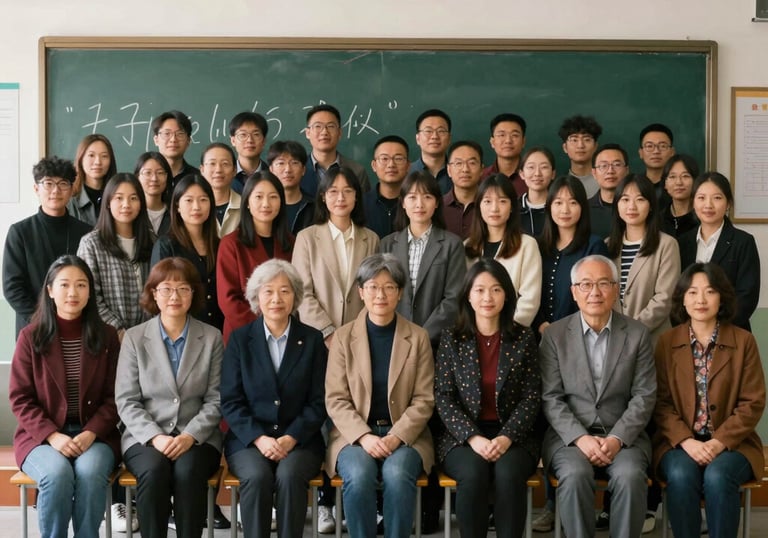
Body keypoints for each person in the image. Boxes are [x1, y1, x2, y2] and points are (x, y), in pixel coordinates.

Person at [539, 254, 656, 538]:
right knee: (575, 475)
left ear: (616, 290)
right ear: (574, 292)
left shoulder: (638, 334)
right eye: (586, 284)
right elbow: (550, 397)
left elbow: (644, 395)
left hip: (624, 438)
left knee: (629, 476)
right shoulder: (554, 335)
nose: (595, 292)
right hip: (569, 438)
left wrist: (616, 439)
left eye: (604, 283)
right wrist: (581, 438)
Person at [292, 166, 379, 533]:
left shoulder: (371, 239)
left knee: (359, 412)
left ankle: (361, 500)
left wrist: (352, 335)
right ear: (323, 198)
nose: (340, 197)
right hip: (318, 340)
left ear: (357, 197)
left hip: (362, 341)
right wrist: (329, 332)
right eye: (333, 191)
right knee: (325, 417)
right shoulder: (308, 238)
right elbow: (302, 291)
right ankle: (326, 503)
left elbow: (373, 290)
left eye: (347, 191)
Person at [9, 255, 120, 538]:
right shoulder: (30, 336)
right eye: (65, 285)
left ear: (90, 291)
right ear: (50, 290)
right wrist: (52, 435)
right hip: (40, 436)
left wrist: (91, 432)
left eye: (81, 285)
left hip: (94, 435)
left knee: (90, 472)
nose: (73, 293)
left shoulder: (106, 337)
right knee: (56, 474)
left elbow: (116, 396)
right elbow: (20, 398)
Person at [325, 253, 435, 538]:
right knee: (359, 477)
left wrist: (396, 436)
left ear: (399, 293)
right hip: (354, 436)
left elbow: (424, 399)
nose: (380, 294)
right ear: (361, 292)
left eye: (389, 287)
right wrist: (364, 436)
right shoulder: (343, 337)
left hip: (405, 435)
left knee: (397, 476)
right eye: (373, 286)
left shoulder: (418, 337)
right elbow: (336, 398)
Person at [654, 263, 765, 538]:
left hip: (732, 445)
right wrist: (686, 441)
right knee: (681, 475)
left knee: (718, 476)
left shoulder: (744, 341)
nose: (700, 300)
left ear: (722, 297)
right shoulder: (666, 342)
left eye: (710, 291)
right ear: (682, 299)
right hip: (678, 443)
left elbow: (752, 403)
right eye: (692, 292)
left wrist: (718, 442)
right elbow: (659, 402)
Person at [116, 257, 223, 538]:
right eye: (166, 288)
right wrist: (155, 436)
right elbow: (126, 400)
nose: (174, 296)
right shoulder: (135, 338)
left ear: (194, 293)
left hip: (198, 437)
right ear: (154, 293)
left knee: (188, 473)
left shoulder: (212, 337)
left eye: (183, 288)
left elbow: (217, 399)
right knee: (153, 470)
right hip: (145, 437)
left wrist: (189, 436)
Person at [222, 259, 328, 538]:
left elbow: (319, 401)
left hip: (300, 438)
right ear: (256, 297)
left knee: (290, 476)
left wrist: (291, 437)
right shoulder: (240, 340)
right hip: (249, 439)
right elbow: (231, 401)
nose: (276, 299)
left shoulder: (313, 340)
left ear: (295, 296)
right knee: (256, 477)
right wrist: (259, 438)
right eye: (268, 291)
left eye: (285, 291)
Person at [435, 258, 541, 538]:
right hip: (462, 436)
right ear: (468, 296)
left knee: (508, 474)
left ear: (506, 295)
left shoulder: (523, 337)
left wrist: (506, 437)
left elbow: (531, 397)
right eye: (479, 290)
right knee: (473, 473)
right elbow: (444, 397)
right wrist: (473, 437)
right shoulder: (451, 338)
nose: (487, 297)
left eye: (495, 290)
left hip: (514, 435)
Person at [3, 156, 91, 337]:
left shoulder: (86, 233)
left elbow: (92, 281)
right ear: (36, 188)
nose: (56, 190)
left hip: (77, 326)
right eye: (48, 183)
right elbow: (13, 287)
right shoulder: (20, 232)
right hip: (34, 328)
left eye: (63, 184)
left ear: (72, 189)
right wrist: (43, 320)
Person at [379, 170, 465, 347]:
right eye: (412, 197)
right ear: (402, 203)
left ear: (436, 203)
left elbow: (453, 298)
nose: (419, 204)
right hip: (394, 339)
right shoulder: (387, 244)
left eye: (427, 197)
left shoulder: (452, 244)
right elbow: (382, 292)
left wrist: (423, 335)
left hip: (436, 342)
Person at [677, 172, 760, 332]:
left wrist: (714, 330)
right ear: (693, 202)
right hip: (688, 333)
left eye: (717, 198)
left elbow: (747, 296)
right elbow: (677, 292)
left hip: (731, 333)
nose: (708, 205)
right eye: (701, 198)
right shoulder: (682, 242)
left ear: (728, 203)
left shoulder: (743, 242)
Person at [217, 171, 293, 343]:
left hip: (285, 334)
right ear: (247, 203)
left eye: (273, 197)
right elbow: (228, 300)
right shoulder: (231, 244)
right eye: (258, 197)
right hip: (245, 335)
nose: (266, 204)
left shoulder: (292, 242)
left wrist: (280, 327)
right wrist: (264, 328)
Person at [77, 173, 153, 340]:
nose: (126, 204)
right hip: (108, 337)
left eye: (133, 198)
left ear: (141, 203)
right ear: (108, 203)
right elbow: (90, 295)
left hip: (148, 337)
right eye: (119, 198)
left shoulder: (152, 241)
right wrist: (119, 331)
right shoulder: (91, 244)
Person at [606, 174, 680, 345]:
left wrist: (632, 329)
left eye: (640, 199)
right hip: (613, 340)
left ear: (651, 205)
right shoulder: (608, 245)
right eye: (625, 199)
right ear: (617, 205)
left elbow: (664, 298)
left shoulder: (666, 245)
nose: (631, 206)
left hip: (652, 339)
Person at [532, 176, 609, 338]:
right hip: (538, 336)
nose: (565, 210)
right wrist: (540, 323)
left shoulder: (594, 246)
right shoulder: (537, 246)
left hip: (579, 337)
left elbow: (596, 296)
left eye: (573, 202)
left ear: (582, 207)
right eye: (558, 203)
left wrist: (563, 329)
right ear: (549, 207)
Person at [465, 174, 542, 327]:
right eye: (487, 201)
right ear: (479, 206)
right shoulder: (467, 247)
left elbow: (529, 300)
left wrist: (505, 332)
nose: (494, 208)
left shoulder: (527, 245)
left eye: (502, 201)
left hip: (512, 333)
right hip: (473, 333)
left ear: (512, 206)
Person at [152, 174, 224, 332]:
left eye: (203, 200)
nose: (197, 207)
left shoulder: (221, 245)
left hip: (218, 333)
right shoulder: (166, 245)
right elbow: (160, 296)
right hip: (181, 333)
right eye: (189, 200)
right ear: (177, 205)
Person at [300, 103, 370, 196]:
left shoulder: (357, 171)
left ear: (339, 133)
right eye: (318, 126)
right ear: (307, 133)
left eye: (331, 126)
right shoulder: (297, 170)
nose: (324, 132)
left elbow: (363, 208)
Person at [364, 135, 410, 238]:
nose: (391, 165)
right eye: (384, 158)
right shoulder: (361, 204)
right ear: (374, 165)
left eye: (398, 159)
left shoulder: (416, 204)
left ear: (408, 166)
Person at [67, 134, 117, 226]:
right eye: (91, 155)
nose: (98, 162)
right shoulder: (69, 199)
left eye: (104, 156)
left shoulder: (117, 197)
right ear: (81, 159)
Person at [267, 140, 314, 235]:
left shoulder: (314, 207)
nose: (288, 170)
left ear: (303, 170)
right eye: (281, 163)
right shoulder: (264, 206)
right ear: (271, 170)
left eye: (294, 163)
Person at [443, 141, 484, 239]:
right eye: (458, 163)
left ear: (482, 170)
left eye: (472, 163)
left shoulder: (491, 207)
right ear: (449, 170)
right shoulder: (436, 207)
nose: (465, 169)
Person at [200, 142, 241, 236]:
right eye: (212, 163)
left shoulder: (246, 207)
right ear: (202, 170)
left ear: (234, 170)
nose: (218, 170)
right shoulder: (193, 207)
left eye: (225, 164)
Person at [481, 113, 527, 197]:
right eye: (501, 135)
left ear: (523, 141)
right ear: (492, 142)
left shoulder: (534, 177)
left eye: (515, 135)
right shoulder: (481, 178)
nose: (508, 141)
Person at [589, 143, 629, 239]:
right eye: (603, 166)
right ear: (594, 173)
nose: (610, 171)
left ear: (627, 170)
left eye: (617, 165)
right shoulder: (584, 210)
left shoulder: (636, 207)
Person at [409, 109, 452, 194]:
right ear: (418, 138)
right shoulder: (405, 173)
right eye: (428, 131)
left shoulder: (460, 173)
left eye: (441, 131)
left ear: (449, 138)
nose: (434, 136)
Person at [558, 115, 602, 198]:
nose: (580, 145)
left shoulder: (607, 180)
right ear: (565, 147)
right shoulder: (559, 185)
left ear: (595, 147)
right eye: (574, 140)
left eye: (587, 139)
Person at [152, 110, 198, 188]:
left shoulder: (197, 178)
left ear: (188, 141)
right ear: (156, 140)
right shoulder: (147, 178)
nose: (173, 139)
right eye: (167, 134)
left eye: (180, 134)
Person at [518, 146, 556, 237]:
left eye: (544, 167)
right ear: (522, 174)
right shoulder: (513, 209)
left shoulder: (560, 208)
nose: (537, 173)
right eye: (531, 167)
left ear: (553, 174)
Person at [659, 154, 699, 238]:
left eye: (685, 176)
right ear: (665, 184)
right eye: (672, 177)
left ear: (696, 181)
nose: (679, 182)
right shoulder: (658, 220)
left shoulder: (703, 217)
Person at [229, 111, 269, 194]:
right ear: (233, 141)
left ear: (264, 141)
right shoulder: (225, 175)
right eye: (243, 135)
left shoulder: (273, 174)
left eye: (256, 134)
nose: (250, 140)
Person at [135, 151, 173, 236]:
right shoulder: (131, 210)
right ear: (137, 177)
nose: (154, 178)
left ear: (167, 176)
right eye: (148, 173)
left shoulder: (175, 212)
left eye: (160, 173)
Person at [637, 123, 675, 199]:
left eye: (662, 146)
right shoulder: (634, 185)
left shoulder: (679, 185)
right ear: (641, 153)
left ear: (672, 152)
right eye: (649, 146)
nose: (656, 151)